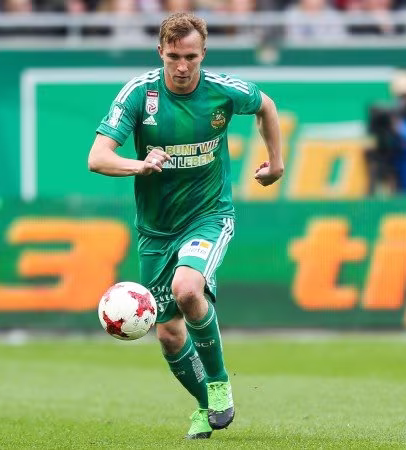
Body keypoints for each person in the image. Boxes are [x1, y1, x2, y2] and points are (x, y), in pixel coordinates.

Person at [87, 12, 284, 439]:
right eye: (173, 56)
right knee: (169, 335)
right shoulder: (139, 94)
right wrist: (140, 165)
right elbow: (98, 157)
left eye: (190, 57)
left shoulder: (223, 91)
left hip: (209, 215)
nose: (181, 66)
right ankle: (204, 405)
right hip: (156, 229)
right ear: (160, 51)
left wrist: (277, 163)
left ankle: (219, 382)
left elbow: (266, 106)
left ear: (203, 54)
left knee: (188, 290)